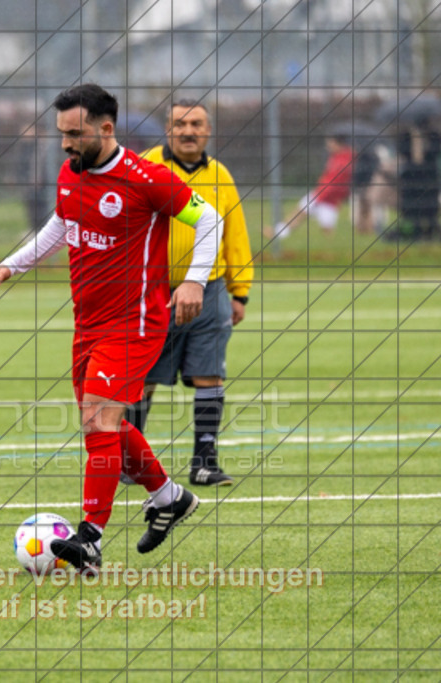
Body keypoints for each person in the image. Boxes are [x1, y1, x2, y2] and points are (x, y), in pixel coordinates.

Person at [0, 84, 224, 573]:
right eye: (62, 134)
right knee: (107, 425)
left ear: (106, 128)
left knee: (98, 422)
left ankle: (90, 538)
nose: (66, 144)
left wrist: (194, 282)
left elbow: (211, 221)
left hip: (134, 323)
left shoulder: (145, 178)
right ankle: (169, 497)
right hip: (88, 323)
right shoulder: (70, 174)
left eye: (75, 134)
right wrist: (13, 264)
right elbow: (61, 224)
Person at [125, 99, 253, 487]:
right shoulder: (145, 167)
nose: (188, 131)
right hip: (152, 291)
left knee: (209, 374)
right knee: (142, 377)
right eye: (180, 124)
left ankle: (205, 463)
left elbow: (235, 233)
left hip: (209, 291)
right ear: (167, 129)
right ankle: (132, 462)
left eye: (196, 124)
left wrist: (239, 291)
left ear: (207, 131)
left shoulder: (220, 175)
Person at [267, 133, 353, 241]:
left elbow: (338, 181)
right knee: (303, 214)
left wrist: (324, 194)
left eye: (330, 143)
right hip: (324, 194)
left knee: (318, 223)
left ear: (338, 144)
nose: (328, 146)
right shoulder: (338, 157)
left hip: (327, 195)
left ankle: (277, 233)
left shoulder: (344, 160)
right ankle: (277, 233)